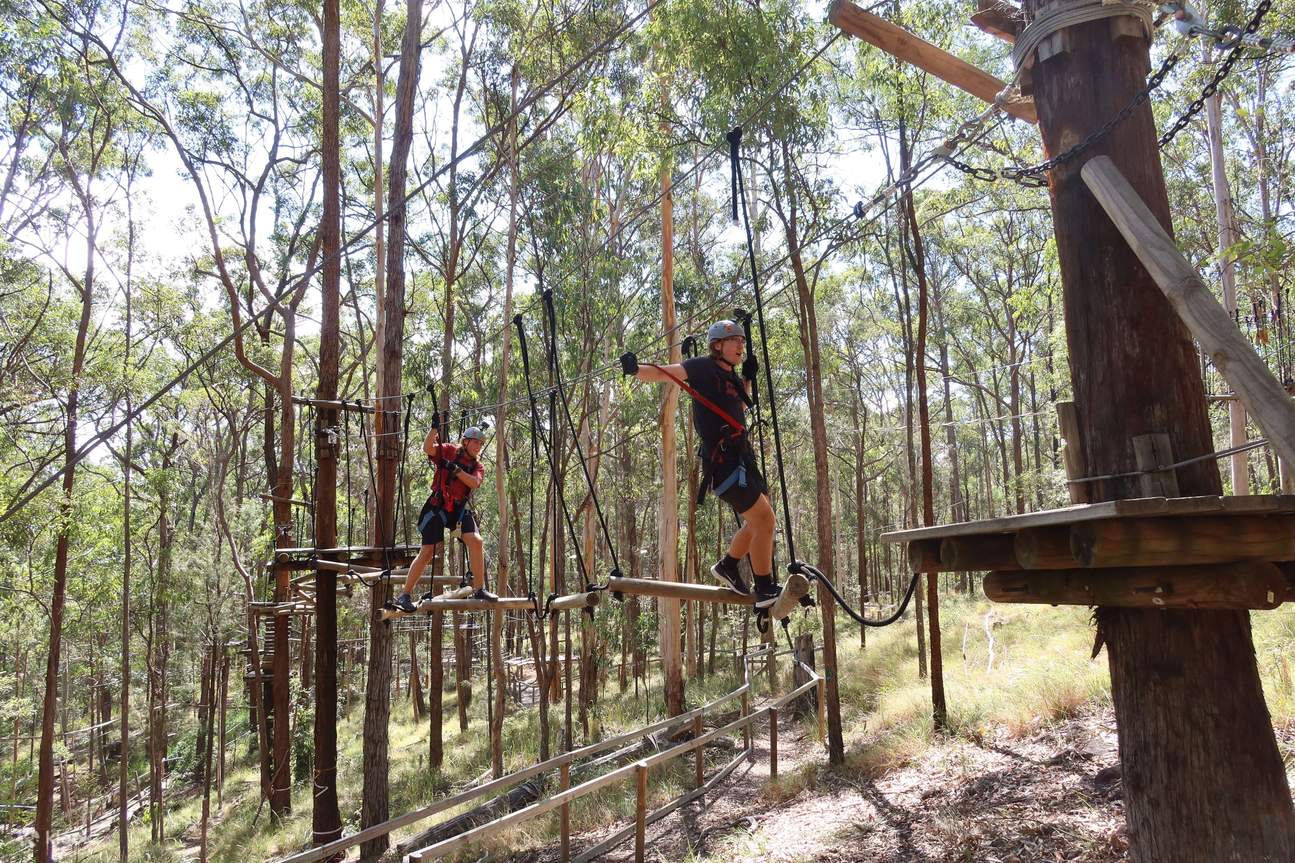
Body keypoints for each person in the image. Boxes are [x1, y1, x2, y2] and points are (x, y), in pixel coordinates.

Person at [620, 320, 781, 611]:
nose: (741, 346)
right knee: (764, 521)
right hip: (725, 463)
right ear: (717, 345)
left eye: (742, 342)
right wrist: (635, 370)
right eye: (735, 341)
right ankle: (764, 587)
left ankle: (728, 565)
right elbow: (665, 373)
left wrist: (747, 378)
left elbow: (739, 408)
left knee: (759, 519)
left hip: (742, 458)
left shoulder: (730, 376)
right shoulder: (702, 367)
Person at [392, 425, 494, 612]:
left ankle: (479, 589)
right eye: (475, 442)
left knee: (476, 541)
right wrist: (434, 429)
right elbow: (427, 448)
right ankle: (404, 595)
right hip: (437, 507)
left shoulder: (477, 466)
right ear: (465, 442)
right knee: (427, 551)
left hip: (458, 510)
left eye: (481, 444)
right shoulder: (448, 450)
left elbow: (475, 482)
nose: (478, 446)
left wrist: (457, 471)